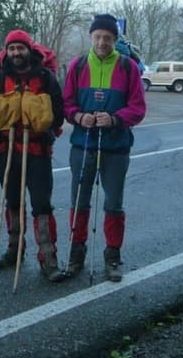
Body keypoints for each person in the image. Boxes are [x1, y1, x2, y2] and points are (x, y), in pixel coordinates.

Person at [62, 14, 147, 282]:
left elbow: (138, 108)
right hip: (83, 144)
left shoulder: (127, 67)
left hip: (116, 147)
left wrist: (114, 119)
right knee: (79, 201)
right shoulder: (77, 66)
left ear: (115, 39)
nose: (102, 42)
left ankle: (112, 257)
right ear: (91, 37)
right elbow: (66, 104)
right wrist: (78, 117)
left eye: (107, 38)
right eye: (98, 37)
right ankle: (76, 255)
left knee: (113, 203)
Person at [0, 29, 65, 282]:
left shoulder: (45, 77)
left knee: (42, 204)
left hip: (38, 152)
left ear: (28, 50)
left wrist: (48, 130)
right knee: (12, 201)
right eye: (12, 49)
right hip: (7, 150)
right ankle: (14, 249)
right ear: (6, 51)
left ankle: (47, 256)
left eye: (20, 48)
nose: (16, 53)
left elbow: (58, 110)